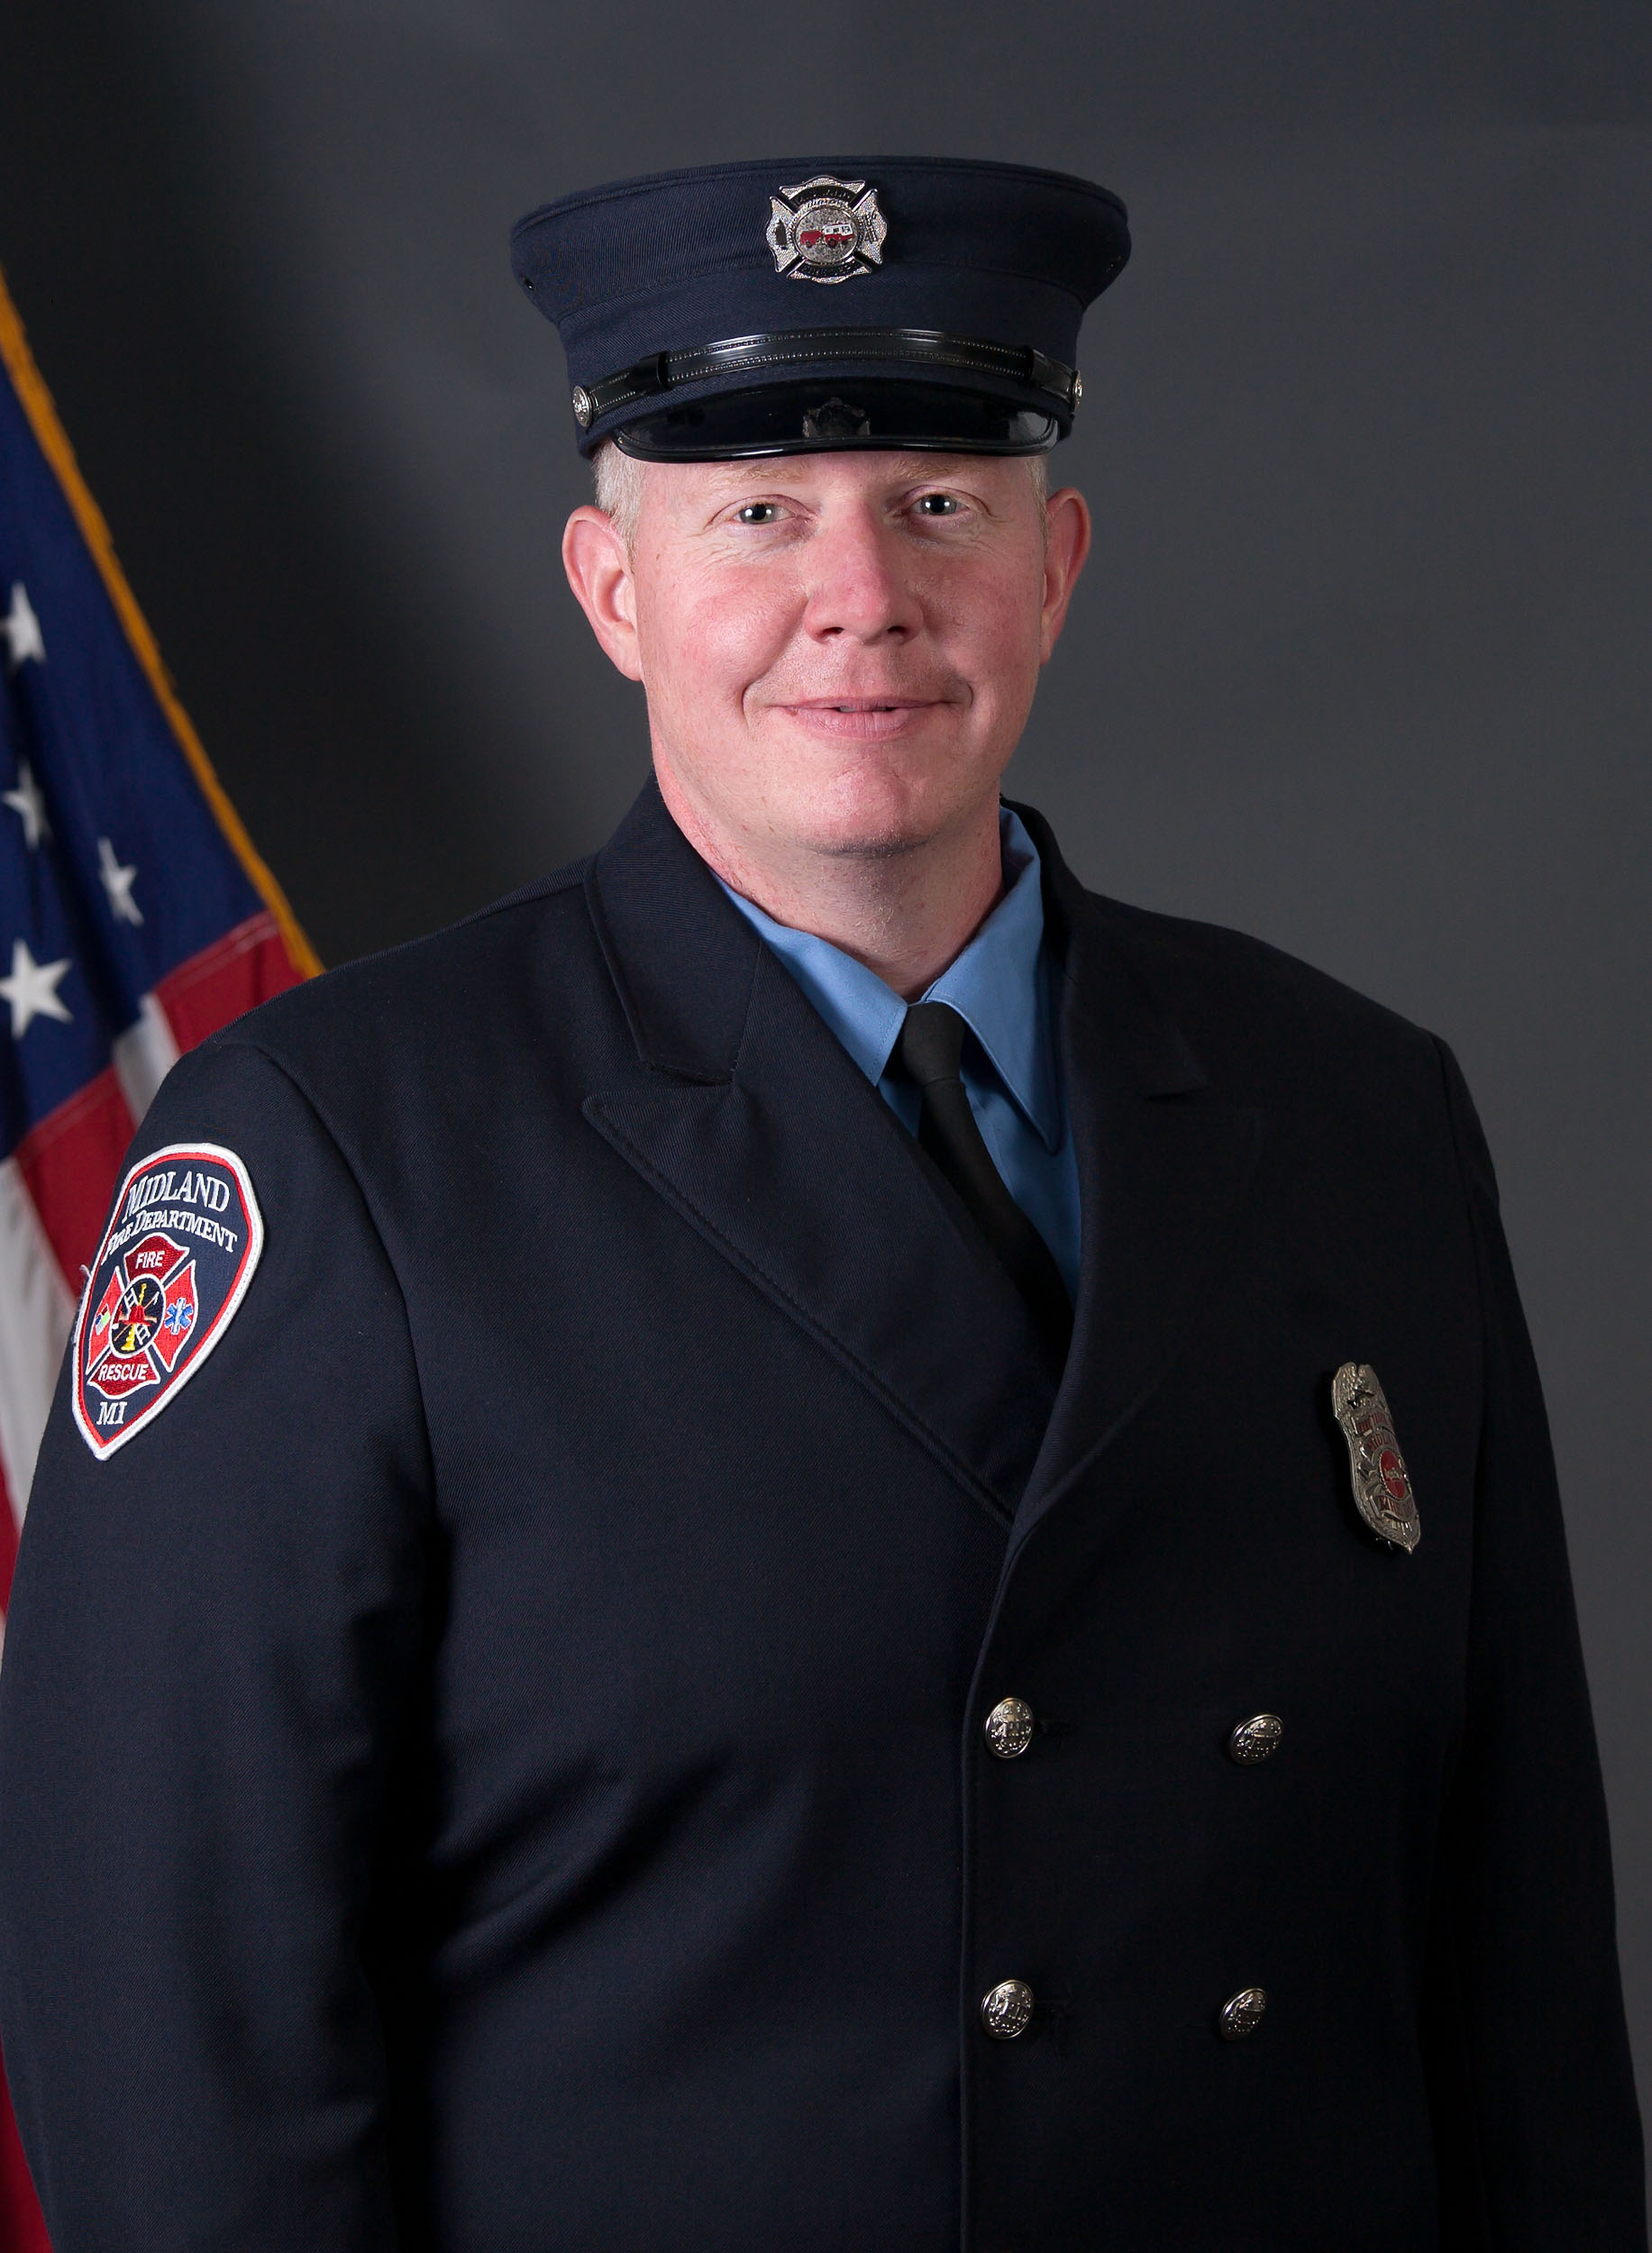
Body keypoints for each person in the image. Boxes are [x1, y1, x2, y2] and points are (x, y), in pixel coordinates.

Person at [0, 156, 1641, 2252]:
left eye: (937, 502)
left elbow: (1519, 1981)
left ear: (1053, 563)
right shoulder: (335, 1152)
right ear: (612, 586)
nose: (861, 594)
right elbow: (177, 2044)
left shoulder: (1353, 1112)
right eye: (757, 514)